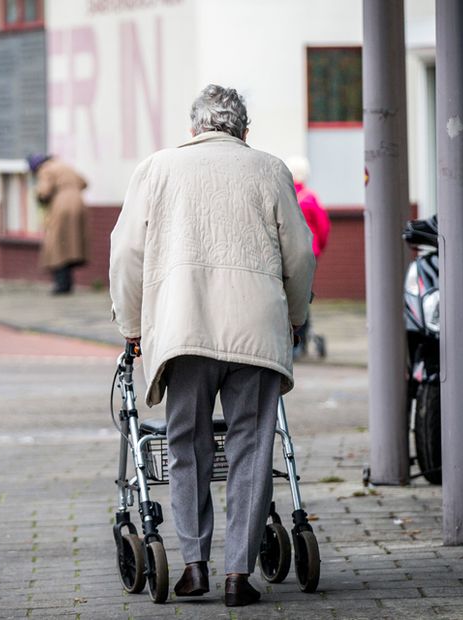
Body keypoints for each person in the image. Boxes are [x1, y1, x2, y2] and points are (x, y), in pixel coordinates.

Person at [109, 84, 315, 607]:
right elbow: (299, 255)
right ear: (244, 131)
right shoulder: (270, 170)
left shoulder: (157, 169)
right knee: (251, 448)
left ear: (194, 130)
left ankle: (195, 564)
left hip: (184, 332)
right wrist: (294, 317)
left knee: (187, 446)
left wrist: (132, 326)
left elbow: (126, 254)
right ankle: (238, 576)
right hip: (256, 331)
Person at [284, 156, 330, 357]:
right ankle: (300, 338)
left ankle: (294, 339)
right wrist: (317, 248)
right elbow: (323, 227)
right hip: (308, 255)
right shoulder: (309, 199)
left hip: (286, 254)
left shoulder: (284, 196)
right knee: (303, 294)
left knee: (289, 294)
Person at [28, 154, 88, 294]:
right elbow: (84, 183)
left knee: (57, 245)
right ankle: (67, 283)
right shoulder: (64, 166)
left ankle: (61, 285)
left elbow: (44, 191)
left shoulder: (46, 169)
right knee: (71, 244)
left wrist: (38, 195)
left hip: (61, 206)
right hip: (79, 204)